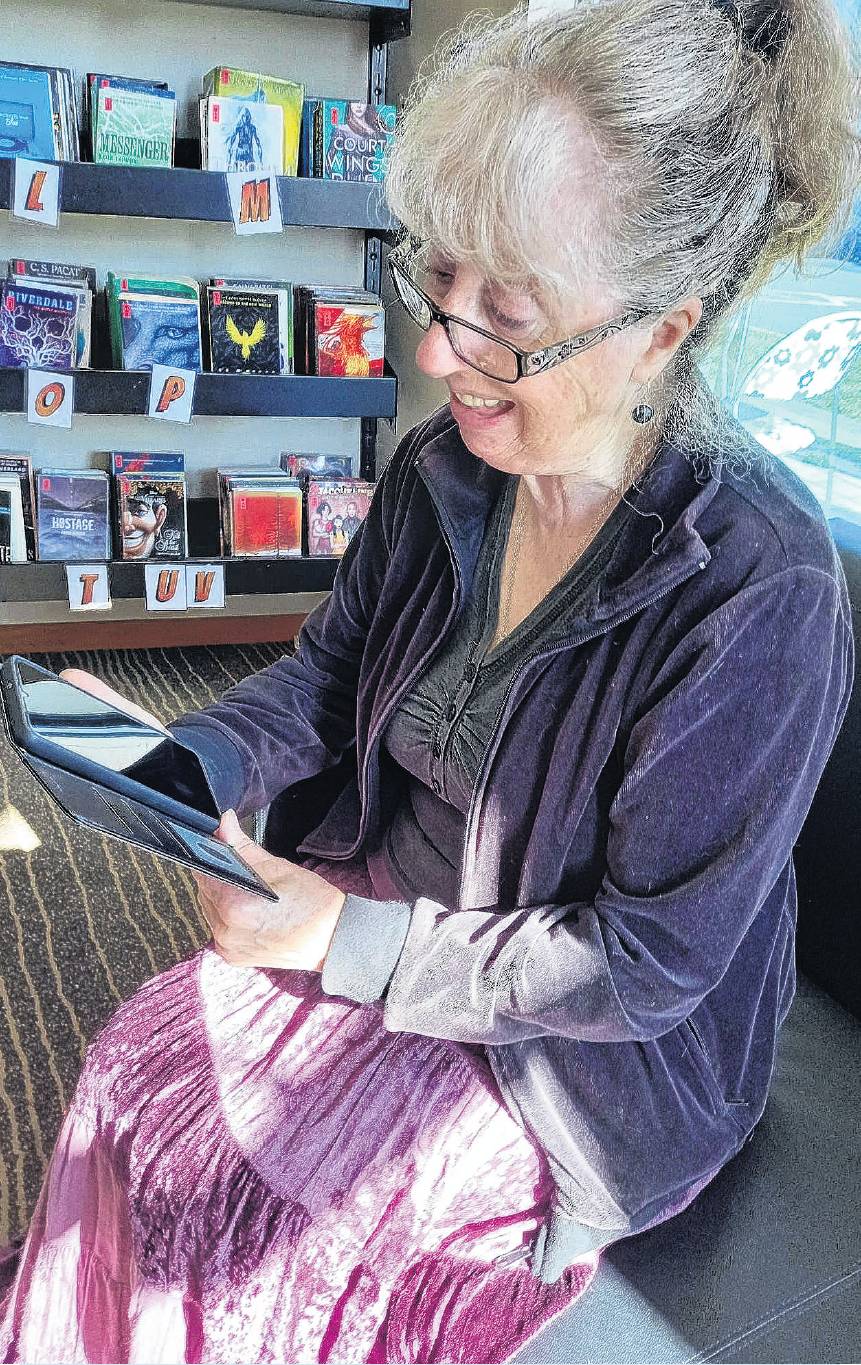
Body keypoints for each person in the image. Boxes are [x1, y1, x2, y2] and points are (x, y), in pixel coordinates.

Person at [2, 1, 858, 1359]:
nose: (429, 355)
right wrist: (192, 766)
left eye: (503, 319)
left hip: (581, 1065)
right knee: (132, 1077)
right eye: (432, 282)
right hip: (391, 911)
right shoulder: (442, 471)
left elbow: (640, 967)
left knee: (271, 1231)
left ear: (660, 327)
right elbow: (332, 677)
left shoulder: (757, 588)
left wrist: (337, 943)